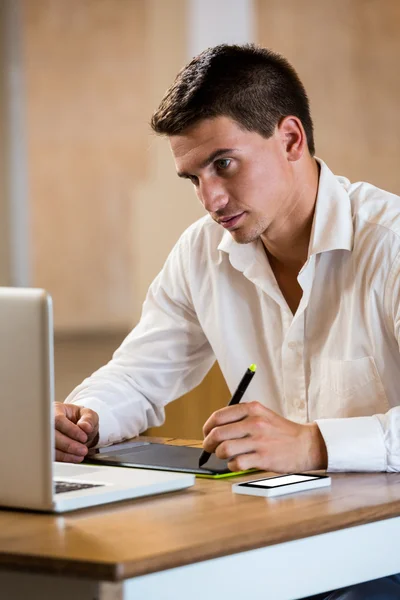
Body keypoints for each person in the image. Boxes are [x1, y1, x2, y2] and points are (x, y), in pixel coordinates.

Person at [55, 44, 400, 598]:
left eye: (223, 164)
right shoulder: (201, 254)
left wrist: (315, 445)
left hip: (384, 549)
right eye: (192, 178)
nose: (211, 199)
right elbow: (139, 374)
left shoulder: (392, 245)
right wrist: (85, 419)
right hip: (287, 537)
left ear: (291, 139)